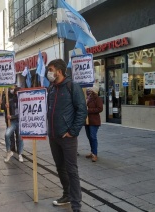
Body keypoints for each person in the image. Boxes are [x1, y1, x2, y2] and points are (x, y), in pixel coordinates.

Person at [46, 59, 87, 212]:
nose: (49, 73)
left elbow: (82, 110)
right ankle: (67, 195)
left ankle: (76, 205)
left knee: (72, 170)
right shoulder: (52, 88)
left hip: (67, 137)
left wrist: (72, 132)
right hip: (53, 136)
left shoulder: (72, 86)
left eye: (51, 69)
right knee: (60, 168)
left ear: (59, 71)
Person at [3, 87, 24, 162]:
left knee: (20, 138)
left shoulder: (23, 101)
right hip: (13, 122)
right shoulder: (11, 101)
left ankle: (20, 153)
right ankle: (9, 151)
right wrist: (6, 107)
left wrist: (12, 116)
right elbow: (5, 110)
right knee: (7, 135)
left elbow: (23, 113)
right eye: (16, 92)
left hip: (20, 121)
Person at [84, 85, 103, 162]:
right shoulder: (87, 98)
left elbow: (100, 108)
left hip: (94, 121)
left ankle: (95, 154)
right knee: (89, 137)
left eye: (89, 89)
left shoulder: (97, 98)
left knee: (93, 137)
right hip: (87, 121)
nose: (88, 91)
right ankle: (92, 152)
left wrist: (89, 110)